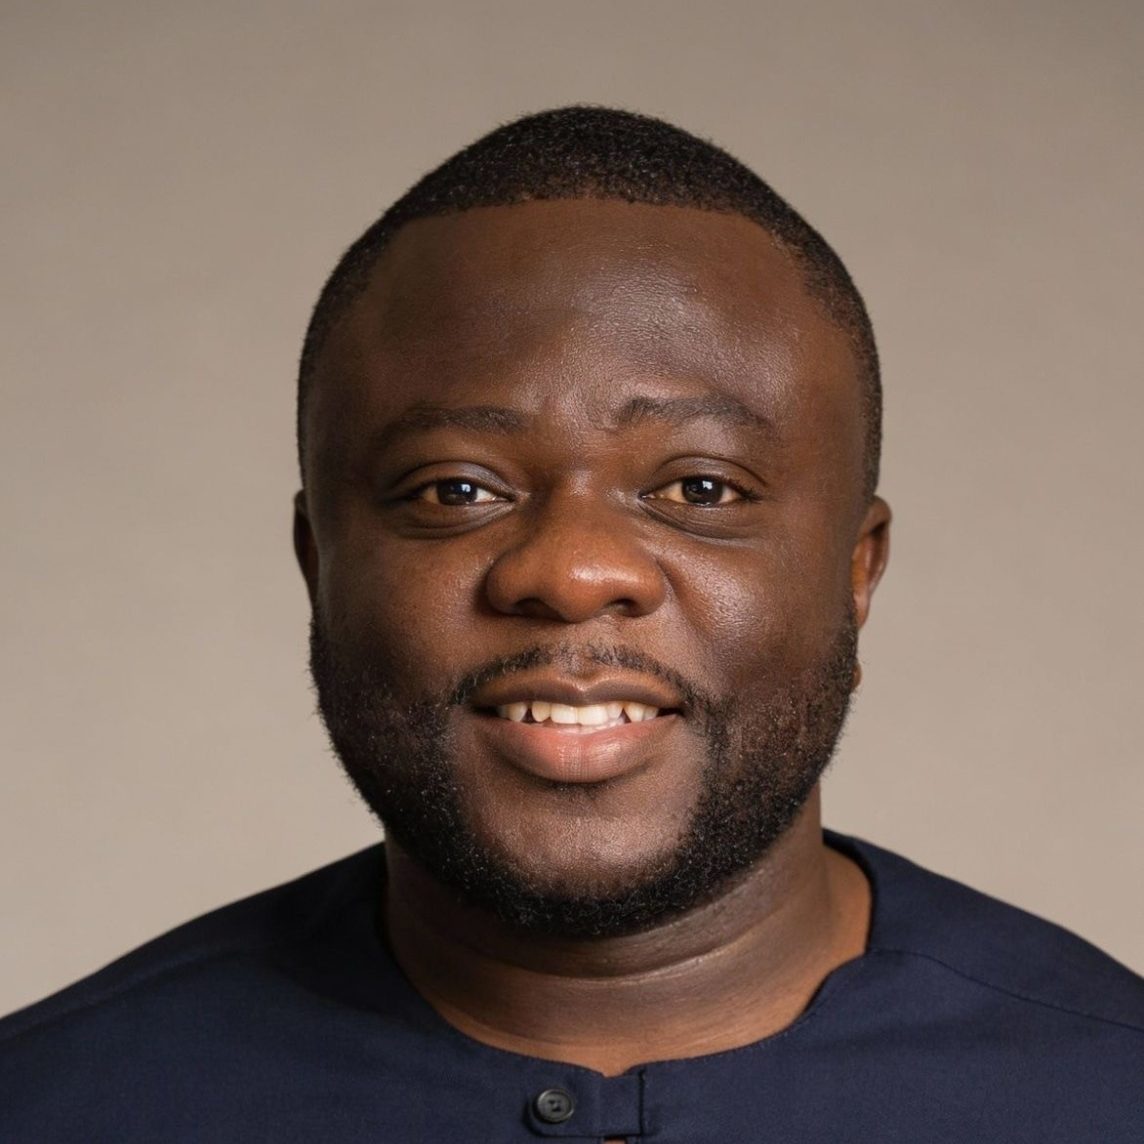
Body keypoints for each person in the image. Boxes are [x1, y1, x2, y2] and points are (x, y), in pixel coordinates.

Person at [1, 106, 1141, 1143]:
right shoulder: (59, 1101)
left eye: (699, 489)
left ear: (856, 571)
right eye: (455, 489)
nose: (572, 570)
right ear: (320, 567)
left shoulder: (1106, 1087)